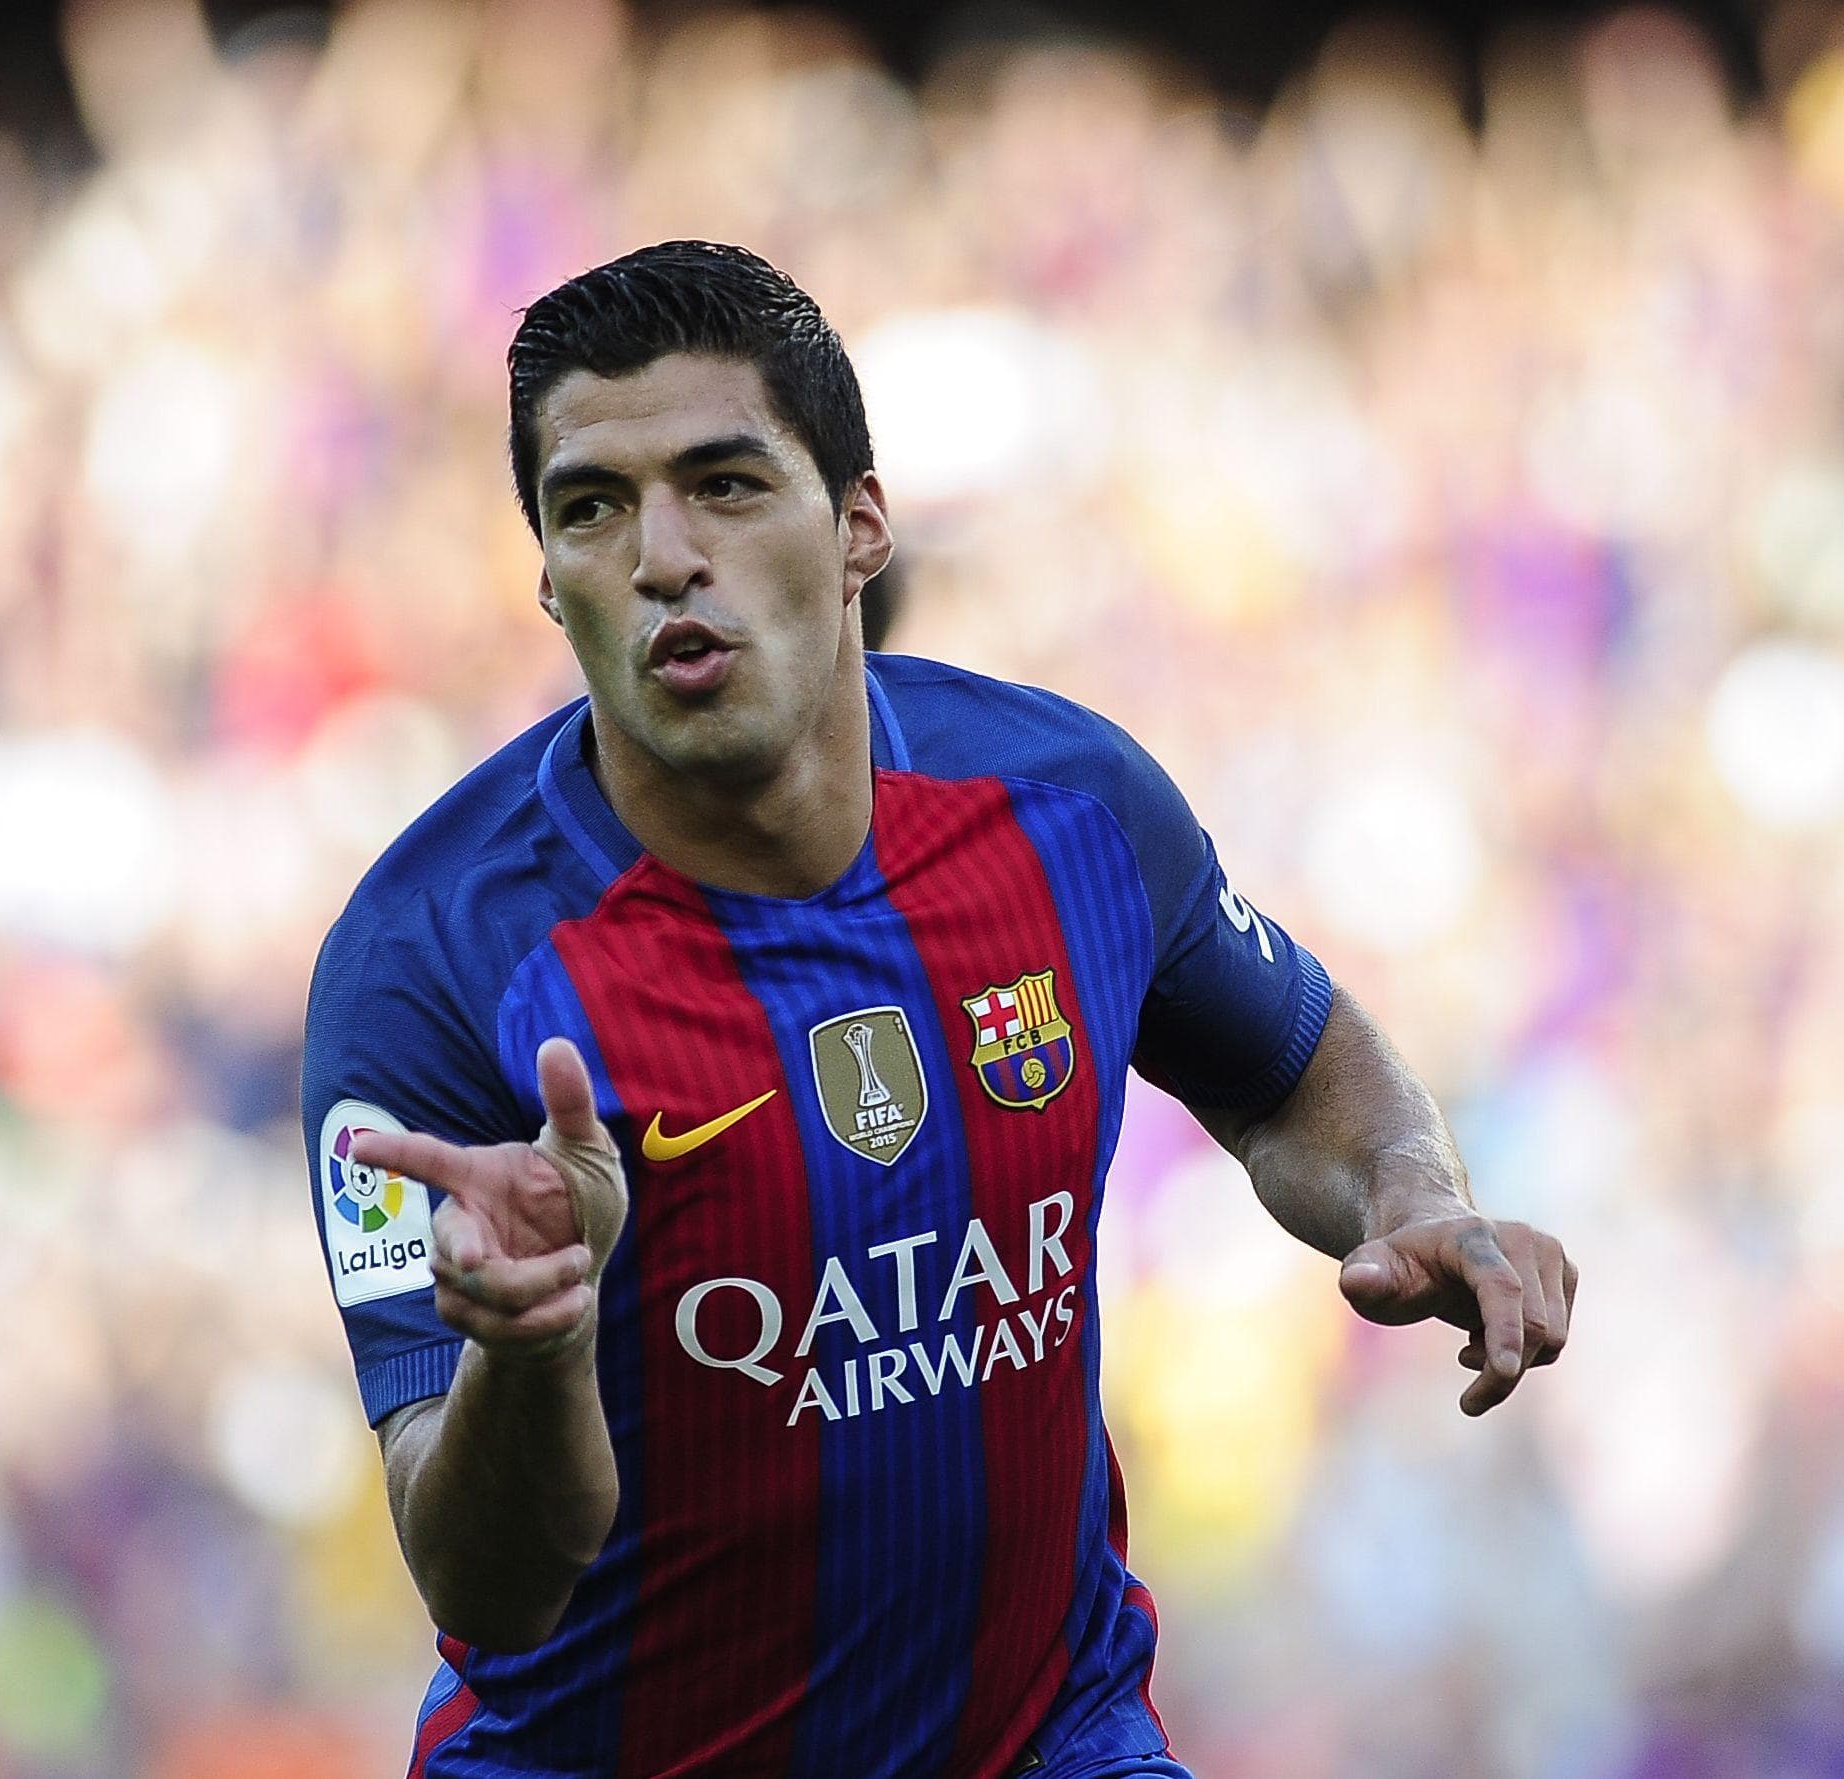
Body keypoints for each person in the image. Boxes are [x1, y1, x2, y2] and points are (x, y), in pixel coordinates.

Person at [302, 241, 1577, 1779]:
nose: (661, 555)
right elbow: (482, 1585)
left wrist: (1413, 1190)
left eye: (724, 484)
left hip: (1048, 1742)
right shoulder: (428, 966)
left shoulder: (1067, 810)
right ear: (547, 579)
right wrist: (530, 1351)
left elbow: (1294, 1073)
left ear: (859, 525)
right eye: (591, 508)